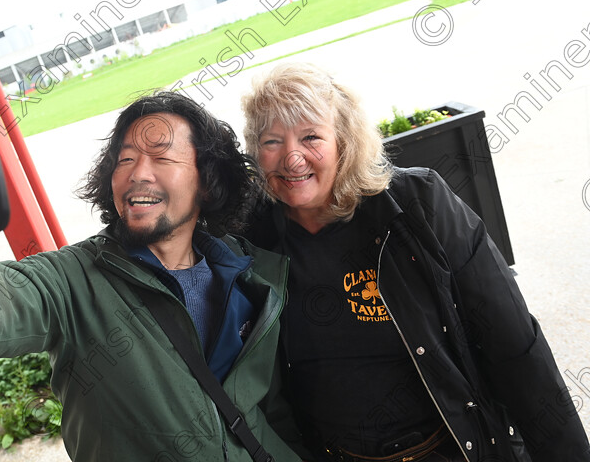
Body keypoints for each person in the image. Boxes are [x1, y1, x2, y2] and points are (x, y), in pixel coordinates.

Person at [0, 91, 302, 462]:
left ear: (207, 180)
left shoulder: (249, 273)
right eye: (124, 159)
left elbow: (270, 406)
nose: (136, 173)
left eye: (162, 157)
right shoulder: (73, 280)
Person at [240, 62, 590, 462]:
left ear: (344, 141)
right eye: (272, 141)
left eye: (311, 136)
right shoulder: (251, 241)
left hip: (451, 449)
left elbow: (515, 345)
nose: (292, 158)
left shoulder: (417, 203)